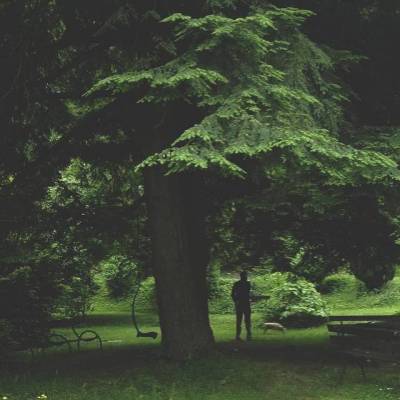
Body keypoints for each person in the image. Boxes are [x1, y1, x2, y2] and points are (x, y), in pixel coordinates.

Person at [231, 271, 251, 341]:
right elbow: (232, 294)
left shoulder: (248, 284)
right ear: (242, 276)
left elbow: (248, 294)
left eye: (246, 276)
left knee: (247, 320)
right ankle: (238, 336)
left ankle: (248, 335)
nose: (246, 277)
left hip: (246, 303)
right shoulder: (237, 284)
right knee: (239, 320)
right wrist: (236, 301)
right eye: (245, 276)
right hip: (240, 303)